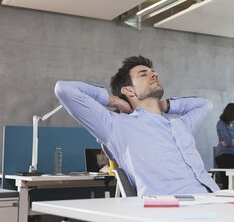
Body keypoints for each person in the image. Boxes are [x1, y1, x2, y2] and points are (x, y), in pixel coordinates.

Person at [54, 55, 219, 196]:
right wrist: (114, 100)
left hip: (215, 199)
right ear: (129, 90)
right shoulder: (116, 125)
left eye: (153, 72)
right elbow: (64, 89)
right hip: (173, 209)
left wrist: (162, 105)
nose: (154, 74)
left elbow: (205, 105)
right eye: (143, 74)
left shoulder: (181, 125)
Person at [214, 103, 234, 190]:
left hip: (232, 154)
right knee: (227, 181)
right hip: (222, 155)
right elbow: (228, 140)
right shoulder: (220, 124)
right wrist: (233, 141)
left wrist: (231, 142)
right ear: (232, 114)